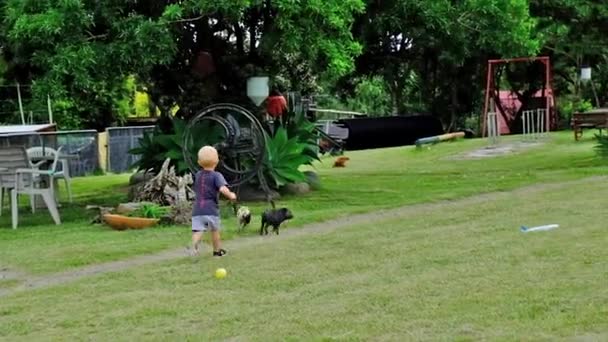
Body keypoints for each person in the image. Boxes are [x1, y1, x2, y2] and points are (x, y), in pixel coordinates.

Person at [190, 145, 237, 257]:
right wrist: (231, 195)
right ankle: (217, 251)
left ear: (199, 162)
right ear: (217, 161)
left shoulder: (198, 175)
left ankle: (193, 247)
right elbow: (222, 188)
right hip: (211, 209)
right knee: (214, 231)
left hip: (197, 209)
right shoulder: (217, 176)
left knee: (198, 230)